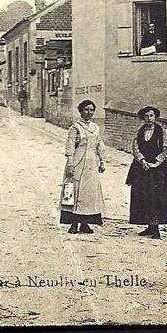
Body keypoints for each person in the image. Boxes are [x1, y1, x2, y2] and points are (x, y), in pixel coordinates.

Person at [126, 106, 167, 238]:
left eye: (151, 115)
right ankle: (150, 226)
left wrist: (156, 163)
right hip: (142, 168)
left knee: (156, 198)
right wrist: (142, 161)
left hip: (158, 170)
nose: (149, 118)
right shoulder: (139, 132)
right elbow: (135, 147)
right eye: (146, 116)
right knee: (144, 197)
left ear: (155, 116)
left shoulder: (162, 131)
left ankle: (156, 227)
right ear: (143, 118)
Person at [61, 100, 106, 234]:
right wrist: (70, 164)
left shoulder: (95, 128)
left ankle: (85, 224)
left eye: (92, 110)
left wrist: (102, 161)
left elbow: (99, 145)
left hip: (92, 164)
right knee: (75, 191)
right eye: (86, 110)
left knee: (89, 194)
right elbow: (70, 146)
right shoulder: (75, 128)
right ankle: (74, 223)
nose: (89, 112)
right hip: (78, 162)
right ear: (80, 112)